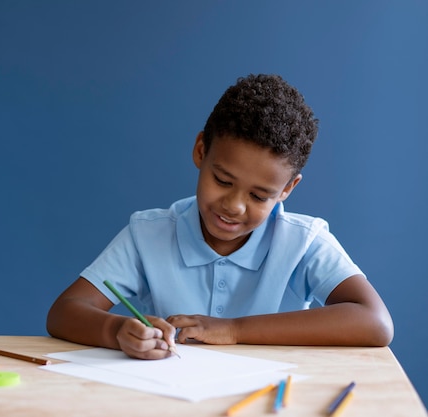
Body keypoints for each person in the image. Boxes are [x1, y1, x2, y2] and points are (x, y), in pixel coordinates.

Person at [46, 74, 394, 360]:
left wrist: (233, 329)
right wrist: (117, 330)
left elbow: (375, 322)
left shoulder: (302, 240)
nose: (234, 206)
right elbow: (65, 311)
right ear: (201, 151)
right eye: (223, 181)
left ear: (287, 189)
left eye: (259, 196)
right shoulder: (149, 234)